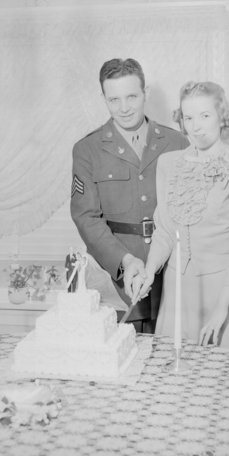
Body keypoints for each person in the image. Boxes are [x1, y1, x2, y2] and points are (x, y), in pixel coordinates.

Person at [124, 81, 229, 361]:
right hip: (177, 297)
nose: (196, 126)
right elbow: (164, 229)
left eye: (205, 115)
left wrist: (222, 308)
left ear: (221, 116)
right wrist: (149, 271)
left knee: (225, 388)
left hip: (225, 294)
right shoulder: (168, 164)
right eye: (188, 117)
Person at [71, 58, 189, 333]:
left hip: (174, 272)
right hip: (121, 279)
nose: (124, 108)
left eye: (132, 96)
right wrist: (125, 261)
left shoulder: (178, 143)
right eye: (114, 100)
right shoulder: (87, 149)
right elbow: (86, 217)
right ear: (103, 98)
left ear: (145, 92)